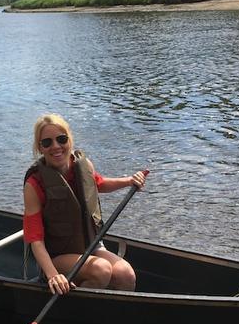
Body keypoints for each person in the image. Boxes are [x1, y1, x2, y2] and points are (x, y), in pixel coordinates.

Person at [23, 114, 146, 295]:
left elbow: (99, 184)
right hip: (56, 256)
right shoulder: (34, 185)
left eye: (61, 139)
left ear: (69, 140)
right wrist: (52, 275)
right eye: (47, 143)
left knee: (126, 275)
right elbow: (35, 239)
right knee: (101, 270)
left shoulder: (83, 165)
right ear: (40, 148)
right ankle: (75, 311)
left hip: (89, 244)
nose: (56, 146)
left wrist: (129, 181)